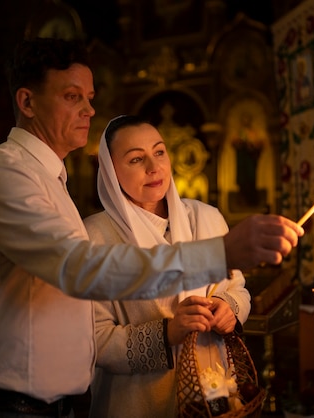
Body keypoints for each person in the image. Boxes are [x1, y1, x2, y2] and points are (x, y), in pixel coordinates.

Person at [0, 37, 303, 418]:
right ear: (27, 102)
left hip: (47, 406)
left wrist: (227, 304)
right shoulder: (5, 176)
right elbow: (80, 270)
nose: (89, 109)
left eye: (90, 97)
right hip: (3, 407)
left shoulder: (49, 180)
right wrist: (220, 255)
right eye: (72, 97)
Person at [84, 115, 251, 417]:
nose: (153, 167)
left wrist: (228, 307)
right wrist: (167, 332)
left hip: (213, 393)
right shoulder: (94, 237)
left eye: (159, 152)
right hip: (137, 402)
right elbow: (94, 339)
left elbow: (237, 288)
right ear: (110, 171)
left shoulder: (207, 217)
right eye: (136, 159)